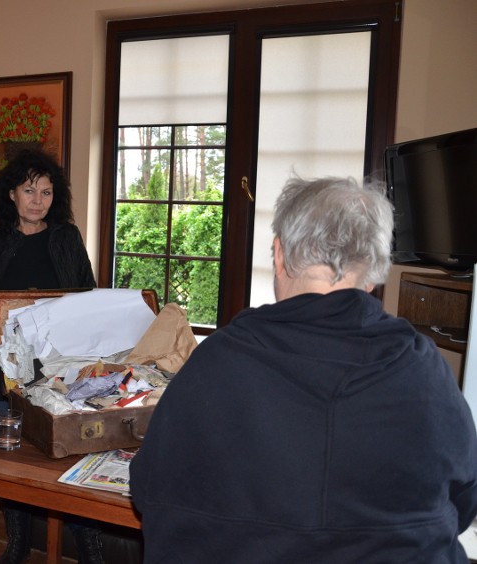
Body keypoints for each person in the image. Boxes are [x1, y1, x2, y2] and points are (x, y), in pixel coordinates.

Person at [130, 175, 477, 563]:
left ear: (279, 254)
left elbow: (148, 490)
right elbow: (463, 502)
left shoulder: (218, 360)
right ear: (376, 269)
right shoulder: (423, 369)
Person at [0, 148, 101, 564]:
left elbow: (87, 304)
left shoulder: (68, 239)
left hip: (61, 377)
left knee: (70, 459)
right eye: (29, 190)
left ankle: (90, 551)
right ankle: (17, 543)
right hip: (4, 375)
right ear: (11, 195)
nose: (38, 200)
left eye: (46, 191)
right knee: (12, 461)